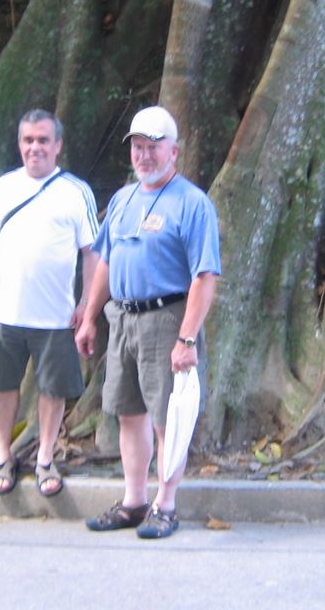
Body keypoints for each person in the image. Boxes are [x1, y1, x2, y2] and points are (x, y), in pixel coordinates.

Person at [75, 105, 220, 539]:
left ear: (174, 152)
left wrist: (187, 339)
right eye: (137, 147)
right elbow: (105, 261)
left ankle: (166, 504)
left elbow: (205, 276)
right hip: (122, 319)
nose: (144, 155)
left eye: (153, 147)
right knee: (129, 413)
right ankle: (134, 500)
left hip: (166, 319)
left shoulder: (192, 203)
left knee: (165, 417)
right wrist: (89, 317)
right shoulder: (123, 199)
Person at [0, 109, 99, 498]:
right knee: (2, 385)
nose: (35, 147)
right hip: (6, 312)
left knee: (53, 389)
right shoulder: (3, 188)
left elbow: (91, 253)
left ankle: (45, 458)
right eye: (28, 140)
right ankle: (3, 456)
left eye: (42, 140)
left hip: (55, 316)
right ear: (19, 144)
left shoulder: (76, 191)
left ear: (57, 146)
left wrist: (87, 303)